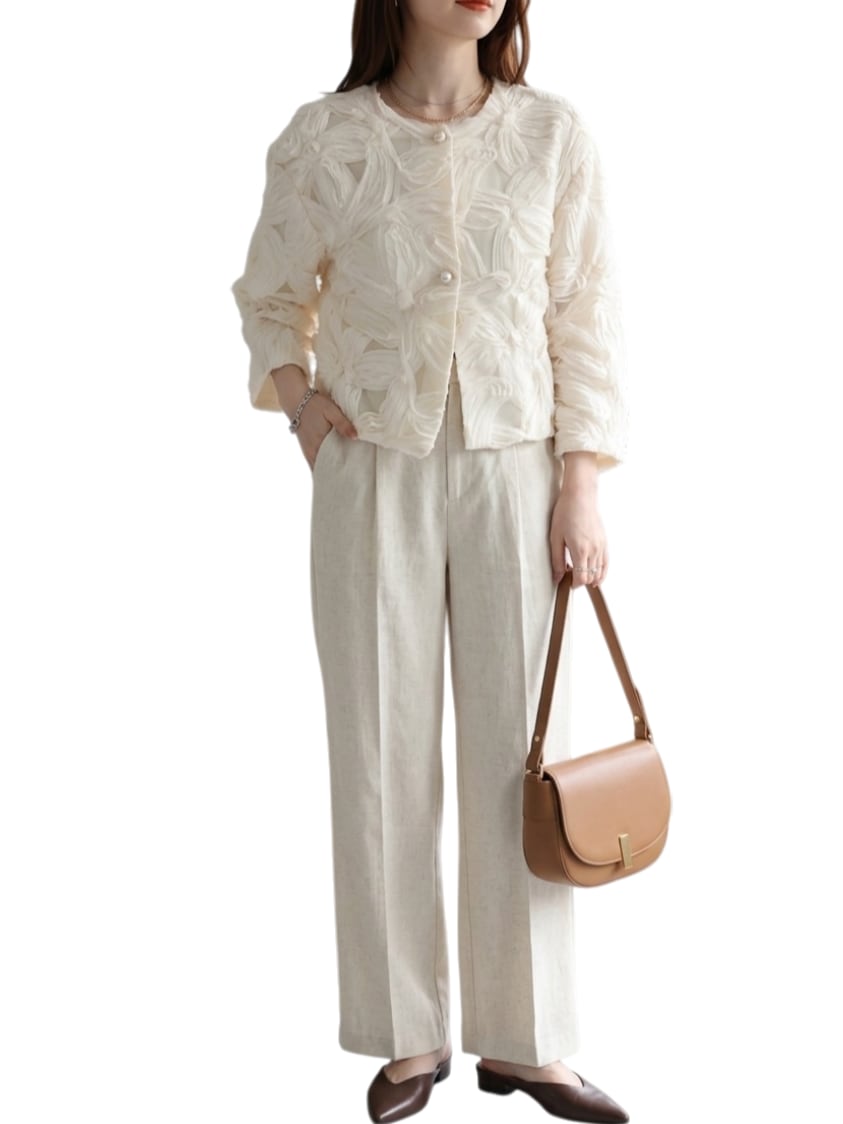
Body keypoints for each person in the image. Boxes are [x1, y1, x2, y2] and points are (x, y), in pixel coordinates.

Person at [230, 1, 631, 1120]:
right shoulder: (327, 137)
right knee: (379, 750)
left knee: (525, 756)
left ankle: (528, 1039)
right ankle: (407, 1032)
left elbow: (586, 314)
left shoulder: (552, 134)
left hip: (518, 471)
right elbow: (268, 297)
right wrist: (306, 415)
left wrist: (582, 481)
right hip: (372, 471)